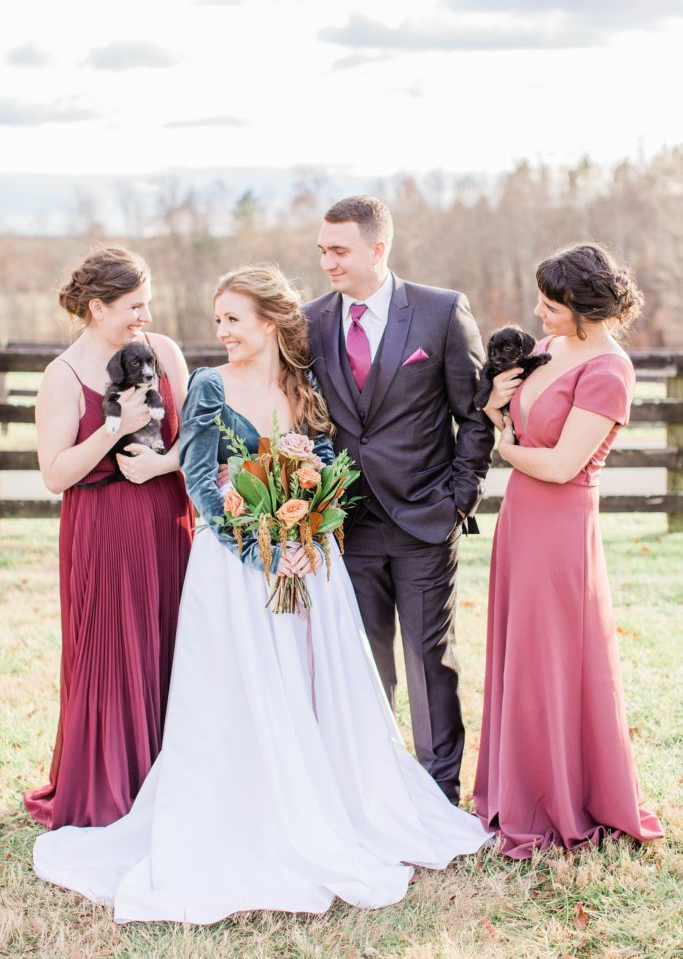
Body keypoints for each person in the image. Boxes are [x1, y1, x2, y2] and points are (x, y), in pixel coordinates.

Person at [32, 263, 491, 923]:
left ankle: (330, 797)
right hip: (235, 568)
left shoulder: (305, 384)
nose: (220, 332)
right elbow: (197, 478)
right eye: (216, 319)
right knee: (238, 691)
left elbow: (330, 463)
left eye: (232, 320)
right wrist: (262, 550)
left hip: (308, 560)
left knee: (311, 682)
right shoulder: (211, 386)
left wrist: (310, 526)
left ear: (271, 322)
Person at [473, 242, 664, 858]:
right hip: (521, 521)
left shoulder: (609, 371)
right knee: (519, 652)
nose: (539, 312)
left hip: (559, 526)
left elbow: (559, 465)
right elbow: (522, 420)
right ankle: (517, 786)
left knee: (550, 658)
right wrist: (498, 407)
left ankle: (559, 792)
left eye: (551, 304)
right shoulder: (550, 349)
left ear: (584, 308)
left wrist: (504, 446)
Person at [305, 196, 494, 806]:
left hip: (424, 518)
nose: (328, 262)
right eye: (323, 251)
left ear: (377, 249)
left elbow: (475, 413)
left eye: (340, 250)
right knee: (363, 663)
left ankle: (439, 796)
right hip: (345, 524)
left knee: (429, 662)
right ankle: (376, 792)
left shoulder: (441, 313)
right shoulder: (310, 322)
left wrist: (460, 497)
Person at [25, 247, 195, 830]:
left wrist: (168, 466)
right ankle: (111, 786)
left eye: (148, 303)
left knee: (172, 644)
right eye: (133, 305)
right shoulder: (63, 375)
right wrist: (114, 429)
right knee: (112, 652)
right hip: (103, 532)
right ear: (97, 308)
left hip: (170, 521)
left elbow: (195, 442)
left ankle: (179, 780)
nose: (144, 316)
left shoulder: (164, 352)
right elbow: (54, 474)